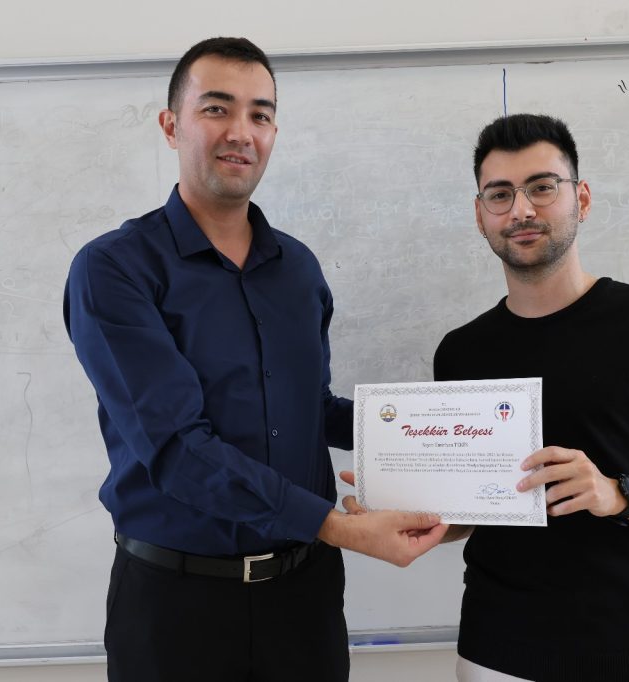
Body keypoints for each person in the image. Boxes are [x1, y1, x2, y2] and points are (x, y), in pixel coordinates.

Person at [63, 37, 446, 682]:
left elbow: (310, 409)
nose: (241, 131)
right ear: (171, 125)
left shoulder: (298, 269)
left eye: (260, 114)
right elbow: (177, 448)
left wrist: (451, 441)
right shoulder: (114, 270)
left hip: (304, 600)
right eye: (217, 108)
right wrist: (337, 526)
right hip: (175, 608)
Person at [433, 114, 629, 682]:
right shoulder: (460, 352)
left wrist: (616, 493)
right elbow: (475, 510)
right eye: (500, 195)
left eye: (542, 187)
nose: (521, 210)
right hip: (494, 654)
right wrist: (407, 507)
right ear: (480, 216)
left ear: (581, 198)